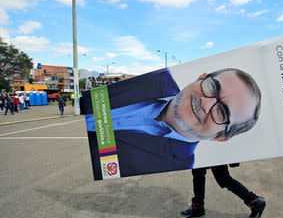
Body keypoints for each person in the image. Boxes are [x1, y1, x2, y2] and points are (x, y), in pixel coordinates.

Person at [82, 67, 261, 179]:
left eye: (221, 112)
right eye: (212, 87)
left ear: (219, 138)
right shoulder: (156, 76)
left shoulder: (176, 166)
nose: (206, 102)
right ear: (201, 77)